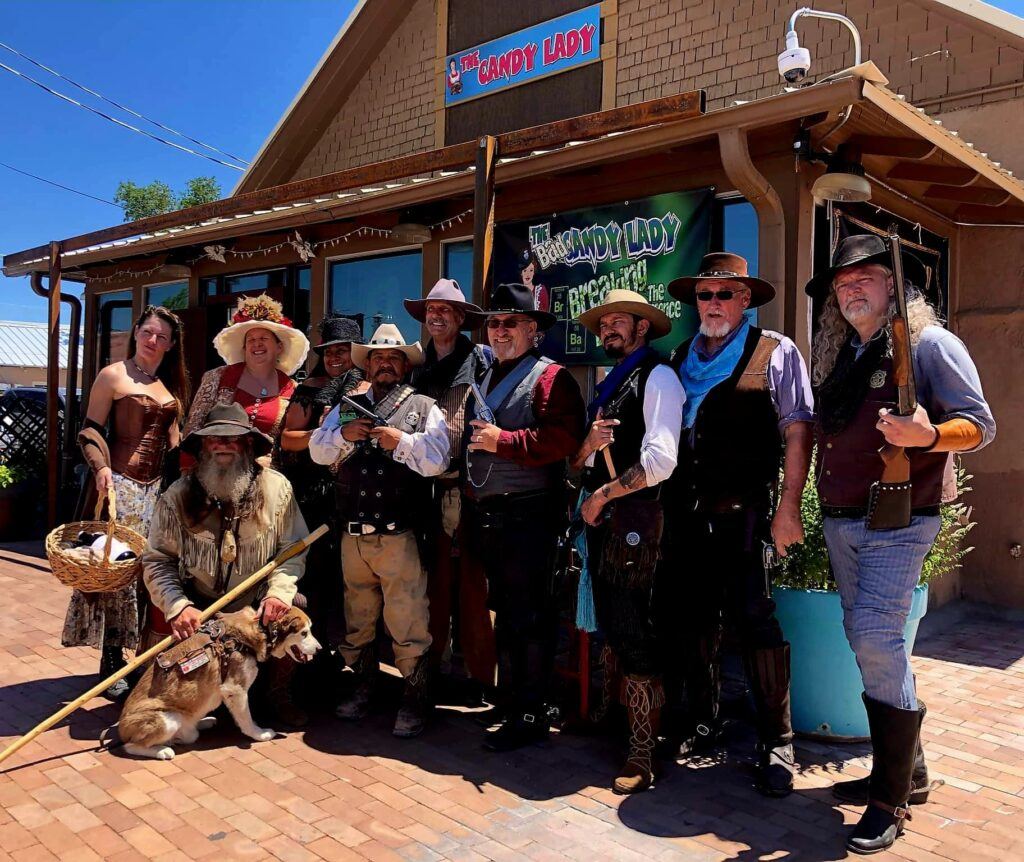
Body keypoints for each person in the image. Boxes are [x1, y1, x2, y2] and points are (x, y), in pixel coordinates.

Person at [806, 234, 995, 854]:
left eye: (864, 276)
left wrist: (927, 433)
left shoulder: (930, 343)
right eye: (841, 283)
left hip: (898, 518)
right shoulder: (848, 352)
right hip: (842, 520)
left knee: (876, 638)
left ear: (894, 284)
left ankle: (888, 800)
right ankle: (904, 768)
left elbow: (978, 426)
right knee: (869, 643)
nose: (850, 288)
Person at [662, 252, 814, 798]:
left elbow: (797, 430)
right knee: (695, 620)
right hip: (687, 516)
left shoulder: (775, 352)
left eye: (725, 294)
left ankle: (778, 741)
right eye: (705, 295)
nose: (714, 304)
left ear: (746, 299)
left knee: (755, 619)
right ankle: (706, 723)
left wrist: (789, 506)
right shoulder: (680, 357)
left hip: (745, 515)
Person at [309, 323, 450, 738]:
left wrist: (402, 442)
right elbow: (318, 451)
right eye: (377, 357)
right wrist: (342, 434)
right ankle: (363, 684)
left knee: (408, 620)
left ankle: (415, 697)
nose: (384, 363)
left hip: (400, 535)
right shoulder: (348, 405)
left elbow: (438, 461)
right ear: (367, 365)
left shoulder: (424, 406)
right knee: (358, 618)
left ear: (404, 365)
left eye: (392, 357)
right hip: (353, 536)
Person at [463, 283, 586, 752]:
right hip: (491, 517)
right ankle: (513, 701)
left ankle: (530, 714)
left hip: (530, 516)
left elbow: (565, 441)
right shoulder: (488, 375)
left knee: (531, 619)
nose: (499, 330)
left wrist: (505, 442)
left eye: (510, 322)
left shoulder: (553, 378)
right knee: (508, 616)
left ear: (533, 330)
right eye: (493, 323)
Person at [570, 289, 683, 794]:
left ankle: (643, 752)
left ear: (643, 328)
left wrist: (604, 496)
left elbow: (661, 462)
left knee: (635, 630)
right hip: (611, 523)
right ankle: (612, 722)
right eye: (604, 322)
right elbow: (584, 461)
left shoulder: (657, 376)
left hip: (639, 523)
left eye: (619, 321)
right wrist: (587, 449)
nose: (608, 328)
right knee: (614, 625)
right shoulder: (611, 382)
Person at [65, 305, 190, 698]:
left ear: (171, 346)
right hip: (118, 487)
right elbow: (87, 430)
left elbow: (175, 443)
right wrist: (100, 467)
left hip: (156, 493)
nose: (153, 341)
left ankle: (140, 656)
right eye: (148, 332)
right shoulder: (113, 375)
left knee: (145, 574)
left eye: (162, 337)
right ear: (136, 333)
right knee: (116, 572)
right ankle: (111, 660)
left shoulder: (168, 386)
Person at [142, 401, 308, 645]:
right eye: (213, 439)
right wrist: (178, 606)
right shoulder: (177, 496)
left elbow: (292, 550)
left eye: (232, 438)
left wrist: (278, 594)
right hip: (197, 604)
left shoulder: (277, 488)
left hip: (256, 604)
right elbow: (158, 560)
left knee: (294, 604)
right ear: (202, 447)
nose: (222, 445)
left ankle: (276, 684)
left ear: (248, 444)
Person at [404, 279, 496, 700]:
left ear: (461, 319)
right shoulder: (415, 367)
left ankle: (480, 679)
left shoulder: (482, 360)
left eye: (446, 310)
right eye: (431, 309)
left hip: (471, 487)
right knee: (434, 586)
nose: (436, 316)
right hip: (424, 490)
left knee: (475, 588)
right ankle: (435, 673)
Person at [278, 314, 367, 676]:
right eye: (328, 351)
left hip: (357, 493)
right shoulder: (309, 389)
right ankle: (309, 658)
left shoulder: (367, 388)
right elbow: (287, 439)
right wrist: (328, 436)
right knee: (314, 574)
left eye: (343, 350)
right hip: (314, 494)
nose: (334, 357)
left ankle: (344, 657)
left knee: (349, 579)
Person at [185, 293, 310, 444]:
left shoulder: (292, 390)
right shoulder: (217, 377)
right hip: (216, 463)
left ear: (279, 347)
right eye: (251, 340)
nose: (257, 344)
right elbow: (192, 429)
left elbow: (288, 441)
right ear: (244, 348)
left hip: (265, 466)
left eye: (264, 338)